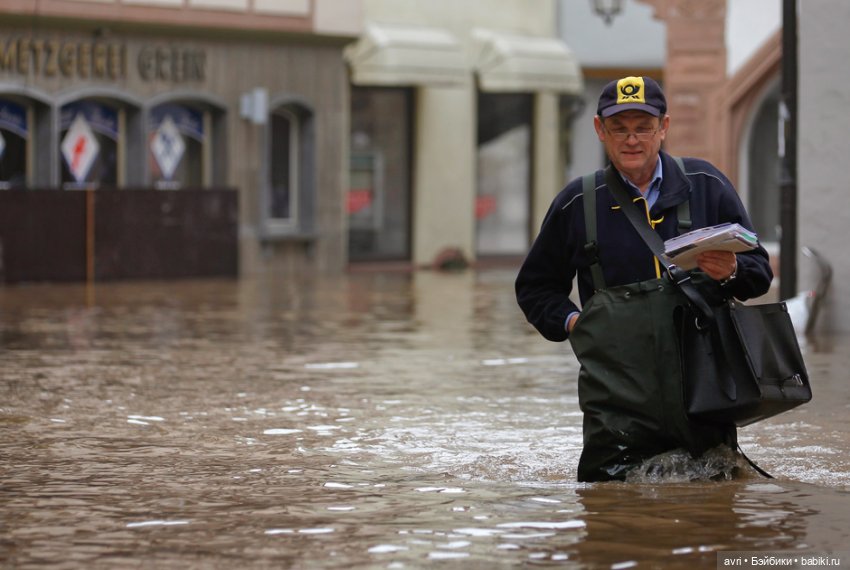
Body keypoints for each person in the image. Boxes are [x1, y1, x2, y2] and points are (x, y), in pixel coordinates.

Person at [515, 76, 773, 482]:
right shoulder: (577, 202)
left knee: (712, 496)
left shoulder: (707, 184)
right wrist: (575, 323)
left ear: (663, 127)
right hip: (615, 399)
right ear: (600, 130)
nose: (631, 140)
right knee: (610, 502)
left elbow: (759, 272)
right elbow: (535, 287)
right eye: (619, 128)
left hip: (703, 391)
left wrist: (733, 271)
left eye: (643, 127)